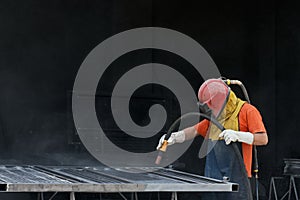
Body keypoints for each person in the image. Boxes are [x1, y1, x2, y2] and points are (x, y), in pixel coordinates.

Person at [157, 78, 268, 200]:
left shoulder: (247, 111)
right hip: (212, 181)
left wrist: (239, 135)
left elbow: (263, 139)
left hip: (238, 181)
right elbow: (194, 130)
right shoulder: (214, 119)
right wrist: (175, 137)